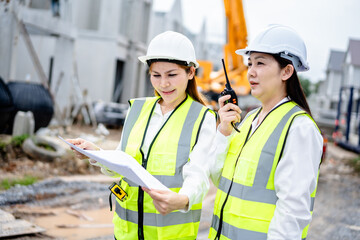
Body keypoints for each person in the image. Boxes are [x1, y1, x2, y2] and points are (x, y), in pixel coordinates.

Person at [67, 31, 217, 240]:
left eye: (171, 75)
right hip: (127, 232)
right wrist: (96, 153)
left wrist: (183, 199)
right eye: (156, 75)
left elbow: (199, 174)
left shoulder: (202, 117)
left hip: (169, 234)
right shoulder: (137, 110)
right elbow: (123, 161)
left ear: (191, 72)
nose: (163, 83)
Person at [208, 24, 323, 240]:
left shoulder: (299, 129)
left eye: (260, 63)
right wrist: (223, 132)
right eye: (250, 63)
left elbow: (292, 213)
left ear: (287, 71)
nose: (250, 71)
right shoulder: (249, 120)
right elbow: (218, 178)